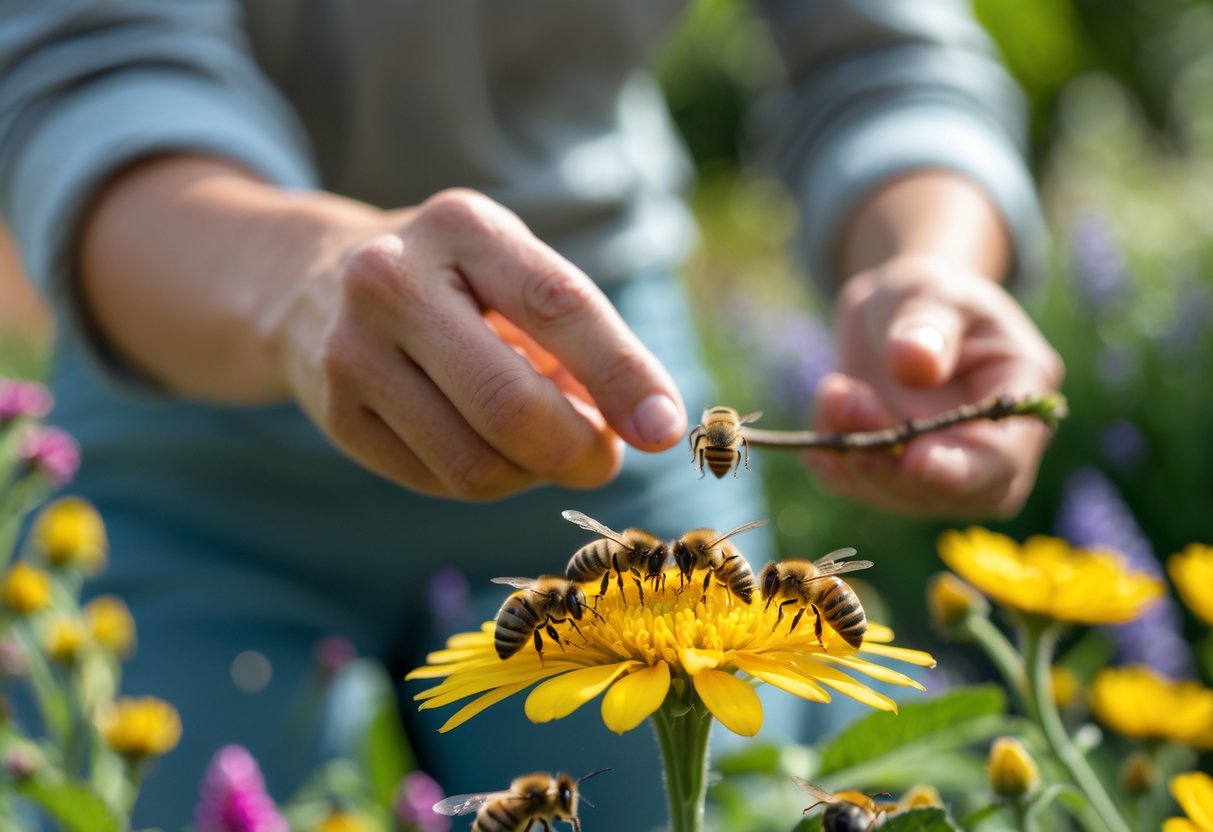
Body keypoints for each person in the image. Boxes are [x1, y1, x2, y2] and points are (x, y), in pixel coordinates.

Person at [0, 1, 1063, 827]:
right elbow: (85, 72)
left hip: (588, 396)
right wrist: (305, 283)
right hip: (189, 365)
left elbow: (885, 54)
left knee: (705, 804)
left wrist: (929, 270)